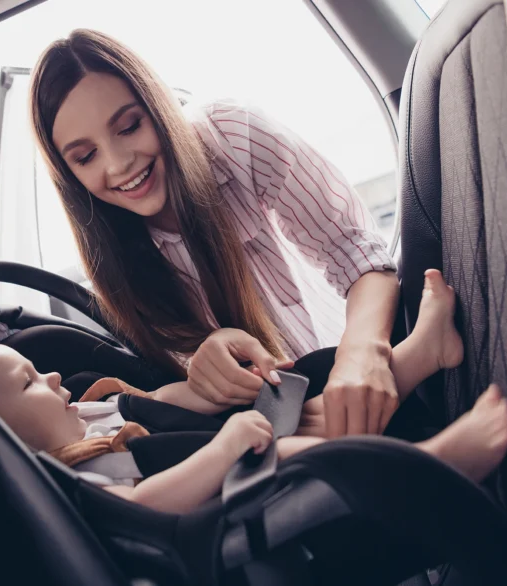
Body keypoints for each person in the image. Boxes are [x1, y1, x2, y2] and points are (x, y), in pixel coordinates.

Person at [29, 29, 405, 438]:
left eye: (129, 126)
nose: (119, 164)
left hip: (358, 352)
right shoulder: (114, 258)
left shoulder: (233, 134)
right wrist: (207, 366)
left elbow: (356, 253)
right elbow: (202, 394)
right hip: (285, 426)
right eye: (86, 156)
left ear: (156, 105)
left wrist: (362, 354)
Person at [0, 272, 507, 514]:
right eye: (29, 383)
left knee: (314, 384)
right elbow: (144, 503)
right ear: (10, 440)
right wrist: (223, 450)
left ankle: (419, 352)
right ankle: (434, 468)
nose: (50, 378)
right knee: (294, 448)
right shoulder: (70, 476)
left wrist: (201, 393)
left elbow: (160, 401)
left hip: (227, 433)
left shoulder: (87, 410)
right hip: (229, 485)